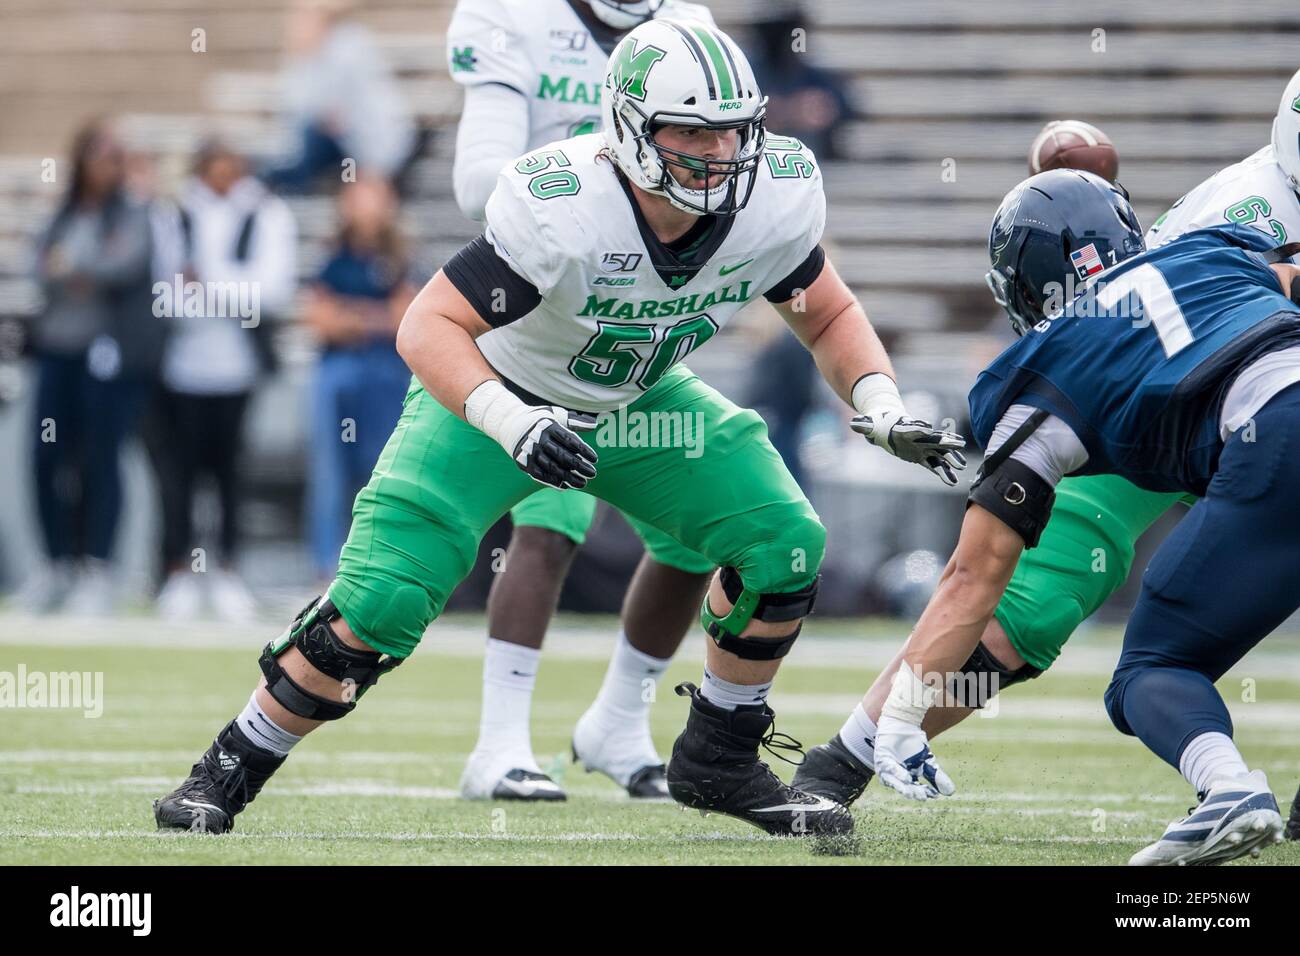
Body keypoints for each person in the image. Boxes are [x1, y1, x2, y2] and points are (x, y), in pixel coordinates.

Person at [153, 19, 964, 839]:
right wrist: (512, 421)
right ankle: (228, 766)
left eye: (731, 130)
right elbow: (427, 326)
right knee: (382, 602)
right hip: (495, 394)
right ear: (628, 128)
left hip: (638, 402)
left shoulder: (773, 198)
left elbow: (824, 310)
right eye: (690, 129)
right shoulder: (568, 205)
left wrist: (881, 401)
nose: (718, 153)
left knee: (783, 539)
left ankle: (719, 757)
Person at [796, 76, 1300, 845]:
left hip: (1237, 410)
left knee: (1148, 661)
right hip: (1181, 394)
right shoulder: (1234, 219)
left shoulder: (1042, 367)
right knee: (1027, 608)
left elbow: (969, 574)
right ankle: (846, 758)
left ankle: (1226, 785)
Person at [447, 0, 722, 801]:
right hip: (544, 308)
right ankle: (500, 745)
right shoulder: (510, 14)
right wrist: (602, 178)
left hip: (647, 313)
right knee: (549, 524)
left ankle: (618, 723)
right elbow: (475, 184)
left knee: (694, 531)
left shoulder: (687, 19)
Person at [153, 142, 297, 622]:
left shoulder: (265, 212)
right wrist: (231, 290)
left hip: (238, 368)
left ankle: (228, 572)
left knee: (230, 473)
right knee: (180, 476)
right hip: (181, 366)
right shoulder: (175, 212)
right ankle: (178, 573)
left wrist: (208, 284)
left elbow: (272, 291)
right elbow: (166, 296)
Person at [23, 118, 158, 615]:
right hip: (56, 350)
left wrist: (74, 267)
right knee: (46, 456)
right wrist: (78, 267)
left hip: (103, 355)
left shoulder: (129, 215)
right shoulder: (63, 214)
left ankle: (97, 566)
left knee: (100, 459)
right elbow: (40, 265)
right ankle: (56, 563)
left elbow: (124, 264)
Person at [302, 175, 415, 581]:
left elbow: (407, 320)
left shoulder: (403, 258)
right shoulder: (334, 257)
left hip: (387, 373)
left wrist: (351, 316)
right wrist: (372, 317)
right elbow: (320, 321)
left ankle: (378, 561)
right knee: (329, 472)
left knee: (382, 468)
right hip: (338, 370)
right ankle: (327, 567)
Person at [263, 0, 416, 194]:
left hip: (362, 149)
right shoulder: (306, 56)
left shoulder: (348, 49)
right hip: (343, 147)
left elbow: (332, 114)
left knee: (315, 146)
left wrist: (374, 167)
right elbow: (294, 109)